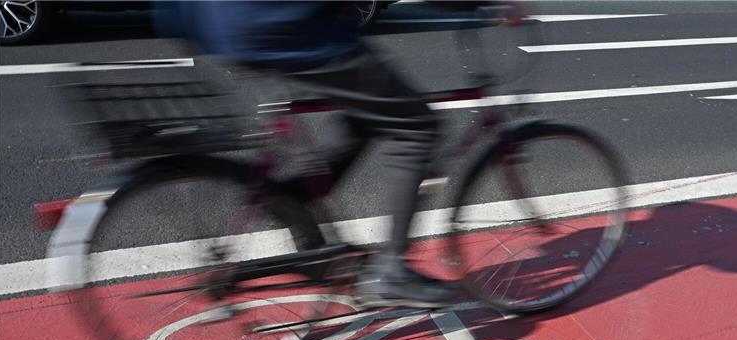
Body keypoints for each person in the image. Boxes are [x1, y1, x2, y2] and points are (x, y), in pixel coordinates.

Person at [164, 1, 504, 308]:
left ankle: (295, 199)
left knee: (370, 107)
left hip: (220, 20)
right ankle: (390, 273)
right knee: (417, 126)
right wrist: (486, 5)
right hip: (274, 24)